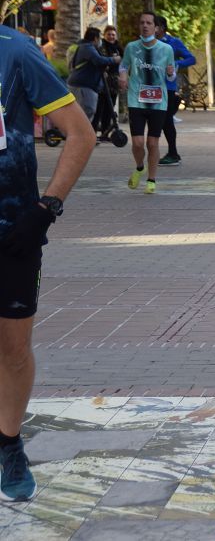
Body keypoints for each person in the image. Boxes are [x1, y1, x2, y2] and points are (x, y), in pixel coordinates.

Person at [0, 25, 94, 501]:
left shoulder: (16, 52)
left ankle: (9, 442)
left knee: (13, 348)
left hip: (10, 230)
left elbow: (80, 134)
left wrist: (45, 208)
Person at [119, 11, 175, 194]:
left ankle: (151, 180)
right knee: (137, 143)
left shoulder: (166, 49)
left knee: (152, 143)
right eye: (142, 22)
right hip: (137, 99)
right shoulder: (131, 47)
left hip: (158, 102)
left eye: (149, 23)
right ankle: (140, 167)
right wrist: (123, 77)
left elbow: (172, 74)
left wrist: (170, 72)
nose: (145, 26)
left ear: (156, 28)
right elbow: (124, 65)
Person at [154, 15, 196, 167]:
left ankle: (173, 153)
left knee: (166, 121)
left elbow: (191, 59)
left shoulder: (173, 42)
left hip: (168, 88)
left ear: (162, 28)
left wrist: (175, 63)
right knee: (156, 121)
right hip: (150, 88)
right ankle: (159, 152)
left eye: (154, 25)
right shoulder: (146, 44)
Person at [67, 27, 120, 127]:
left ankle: (81, 133)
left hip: (86, 84)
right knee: (88, 109)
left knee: (87, 110)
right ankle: (79, 133)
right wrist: (114, 60)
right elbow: (98, 60)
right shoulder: (87, 48)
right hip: (83, 84)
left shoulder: (86, 47)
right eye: (99, 38)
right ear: (95, 38)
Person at [95, 25, 123, 140]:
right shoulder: (101, 47)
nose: (111, 37)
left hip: (114, 81)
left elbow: (124, 62)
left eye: (113, 35)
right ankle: (93, 131)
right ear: (104, 35)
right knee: (99, 107)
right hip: (103, 81)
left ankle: (105, 132)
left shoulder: (118, 47)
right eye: (109, 34)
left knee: (110, 106)